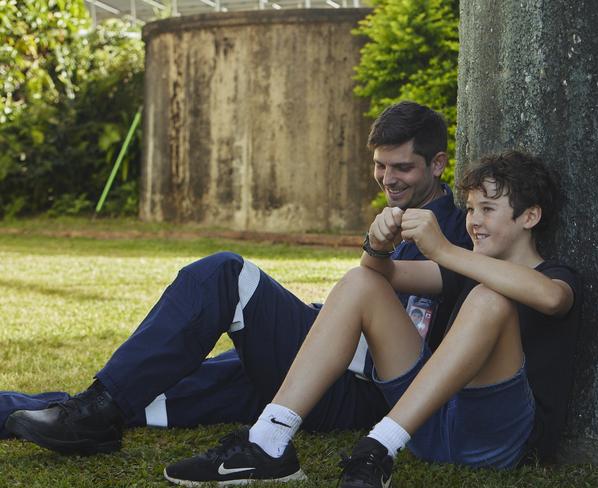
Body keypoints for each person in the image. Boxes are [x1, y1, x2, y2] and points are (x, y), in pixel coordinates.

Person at [3, 101, 472, 454]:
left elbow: (407, 284)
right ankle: (46, 411)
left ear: (437, 164)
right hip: (320, 356)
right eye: (380, 165)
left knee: (227, 273)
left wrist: (378, 249)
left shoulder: (457, 230)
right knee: (148, 390)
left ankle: (92, 412)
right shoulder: (400, 214)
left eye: (402, 167)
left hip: (358, 390)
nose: (388, 178)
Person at [161, 150, 581, 487]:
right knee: (360, 281)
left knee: (490, 299)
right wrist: (378, 243)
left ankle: (379, 446)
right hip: (429, 423)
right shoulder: (463, 266)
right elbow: (381, 274)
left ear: (530, 217)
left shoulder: (554, 275)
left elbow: (551, 299)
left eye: (488, 209)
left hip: (495, 439)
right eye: (471, 209)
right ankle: (269, 441)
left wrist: (446, 250)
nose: (473, 221)